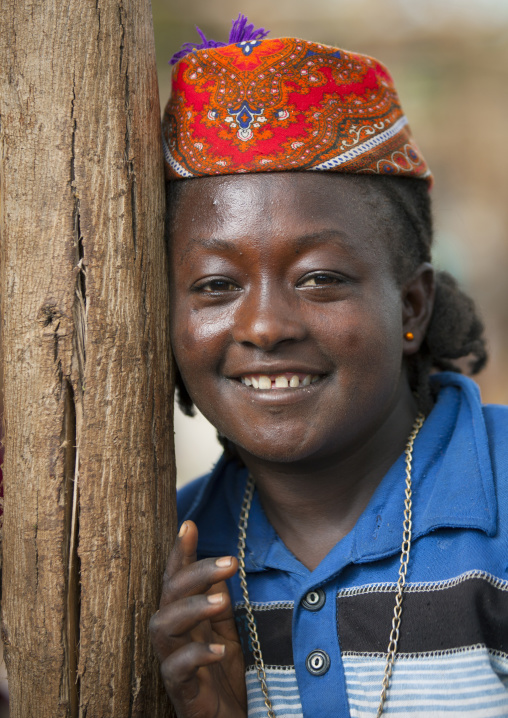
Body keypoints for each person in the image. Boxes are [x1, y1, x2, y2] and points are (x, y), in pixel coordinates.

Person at [150, 14, 508, 718]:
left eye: (319, 279)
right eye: (217, 286)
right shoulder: (173, 564)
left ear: (412, 302)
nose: (264, 326)